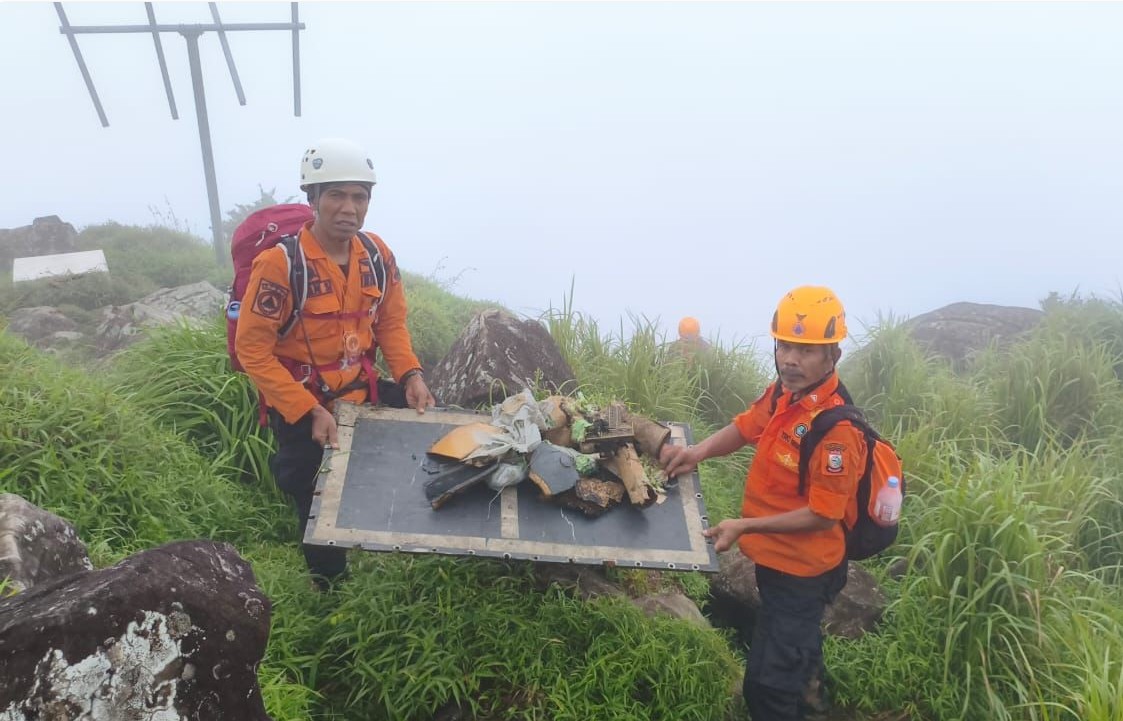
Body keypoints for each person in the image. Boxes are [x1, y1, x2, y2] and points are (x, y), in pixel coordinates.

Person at [236, 137, 435, 590]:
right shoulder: (280, 266)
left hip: (360, 388)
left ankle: (395, 543)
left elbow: (391, 324)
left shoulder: (377, 256)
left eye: (359, 196)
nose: (349, 207)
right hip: (303, 403)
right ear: (312, 199)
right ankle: (330, 590)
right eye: (336, 195)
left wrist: (410, 375)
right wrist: (308, 411)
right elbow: (254, 351)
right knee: (313, 498)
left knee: (424, 438)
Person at [659, 286, 863, 721]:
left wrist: (745, 527)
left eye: (805, 350)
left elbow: (823, 513)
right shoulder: (784, 394)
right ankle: (814, 702)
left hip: (804, 574)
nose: (790, 358)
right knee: (796, 654)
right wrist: (695, 453)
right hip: (777, 563)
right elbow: (745, 427)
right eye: (785, 345)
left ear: (833, 356)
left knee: (766, 690)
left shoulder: (836, 431)